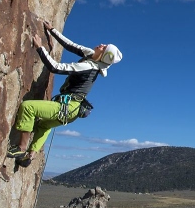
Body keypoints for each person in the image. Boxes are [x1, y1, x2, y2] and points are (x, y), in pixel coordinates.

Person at [7, 21, 122, 165]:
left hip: (67, 108)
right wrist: (52, 30)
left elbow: (56, 67)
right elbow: (71, 46)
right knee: (44, 126)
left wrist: (39, 48)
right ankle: (31, 155)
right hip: (71, 109)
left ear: (103, 56)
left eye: (104, 48)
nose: (102, 44)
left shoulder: (89, 67)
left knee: (28, 107)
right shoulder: (91, 55)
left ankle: (21, 148)